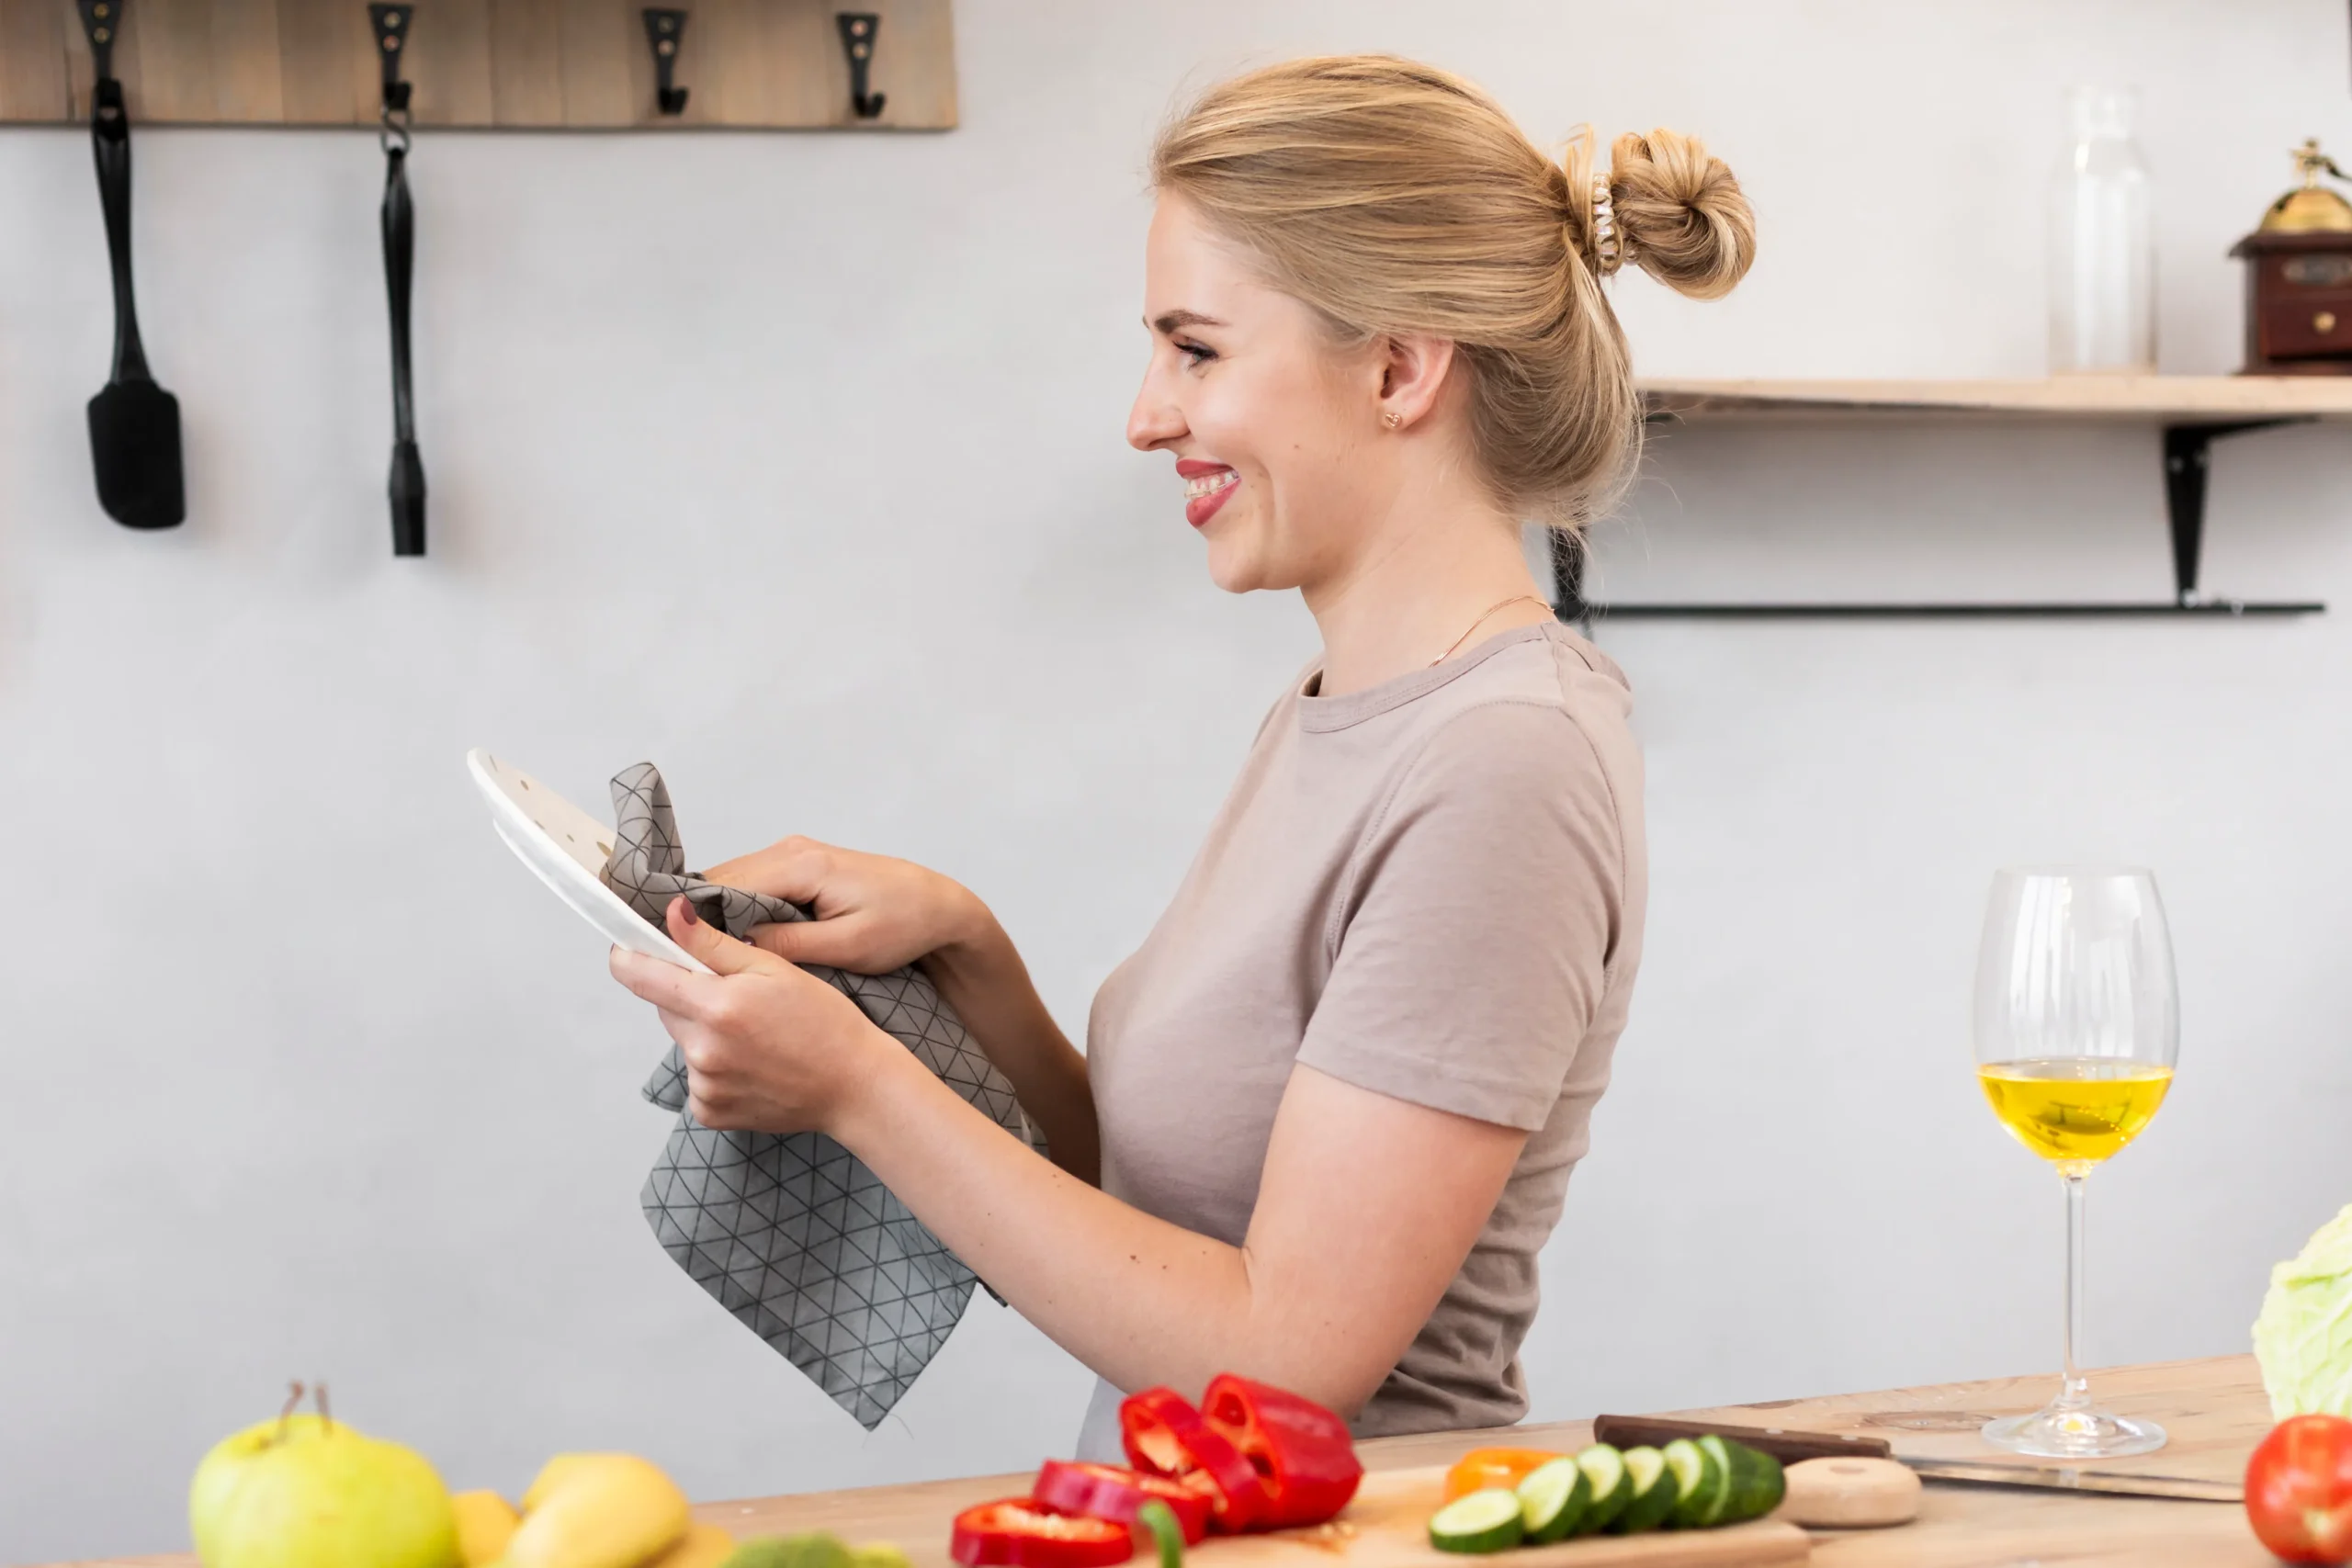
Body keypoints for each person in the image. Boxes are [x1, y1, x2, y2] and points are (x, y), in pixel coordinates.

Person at [609, 54, 1755, 1451]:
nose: (1147, 415)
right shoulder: (1343, 701)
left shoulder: (1504, 762)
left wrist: (859, 1087)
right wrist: (973, 958)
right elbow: (1169, 1229)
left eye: (1195, 349)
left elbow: (1282, 1361)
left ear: (1399, 367)